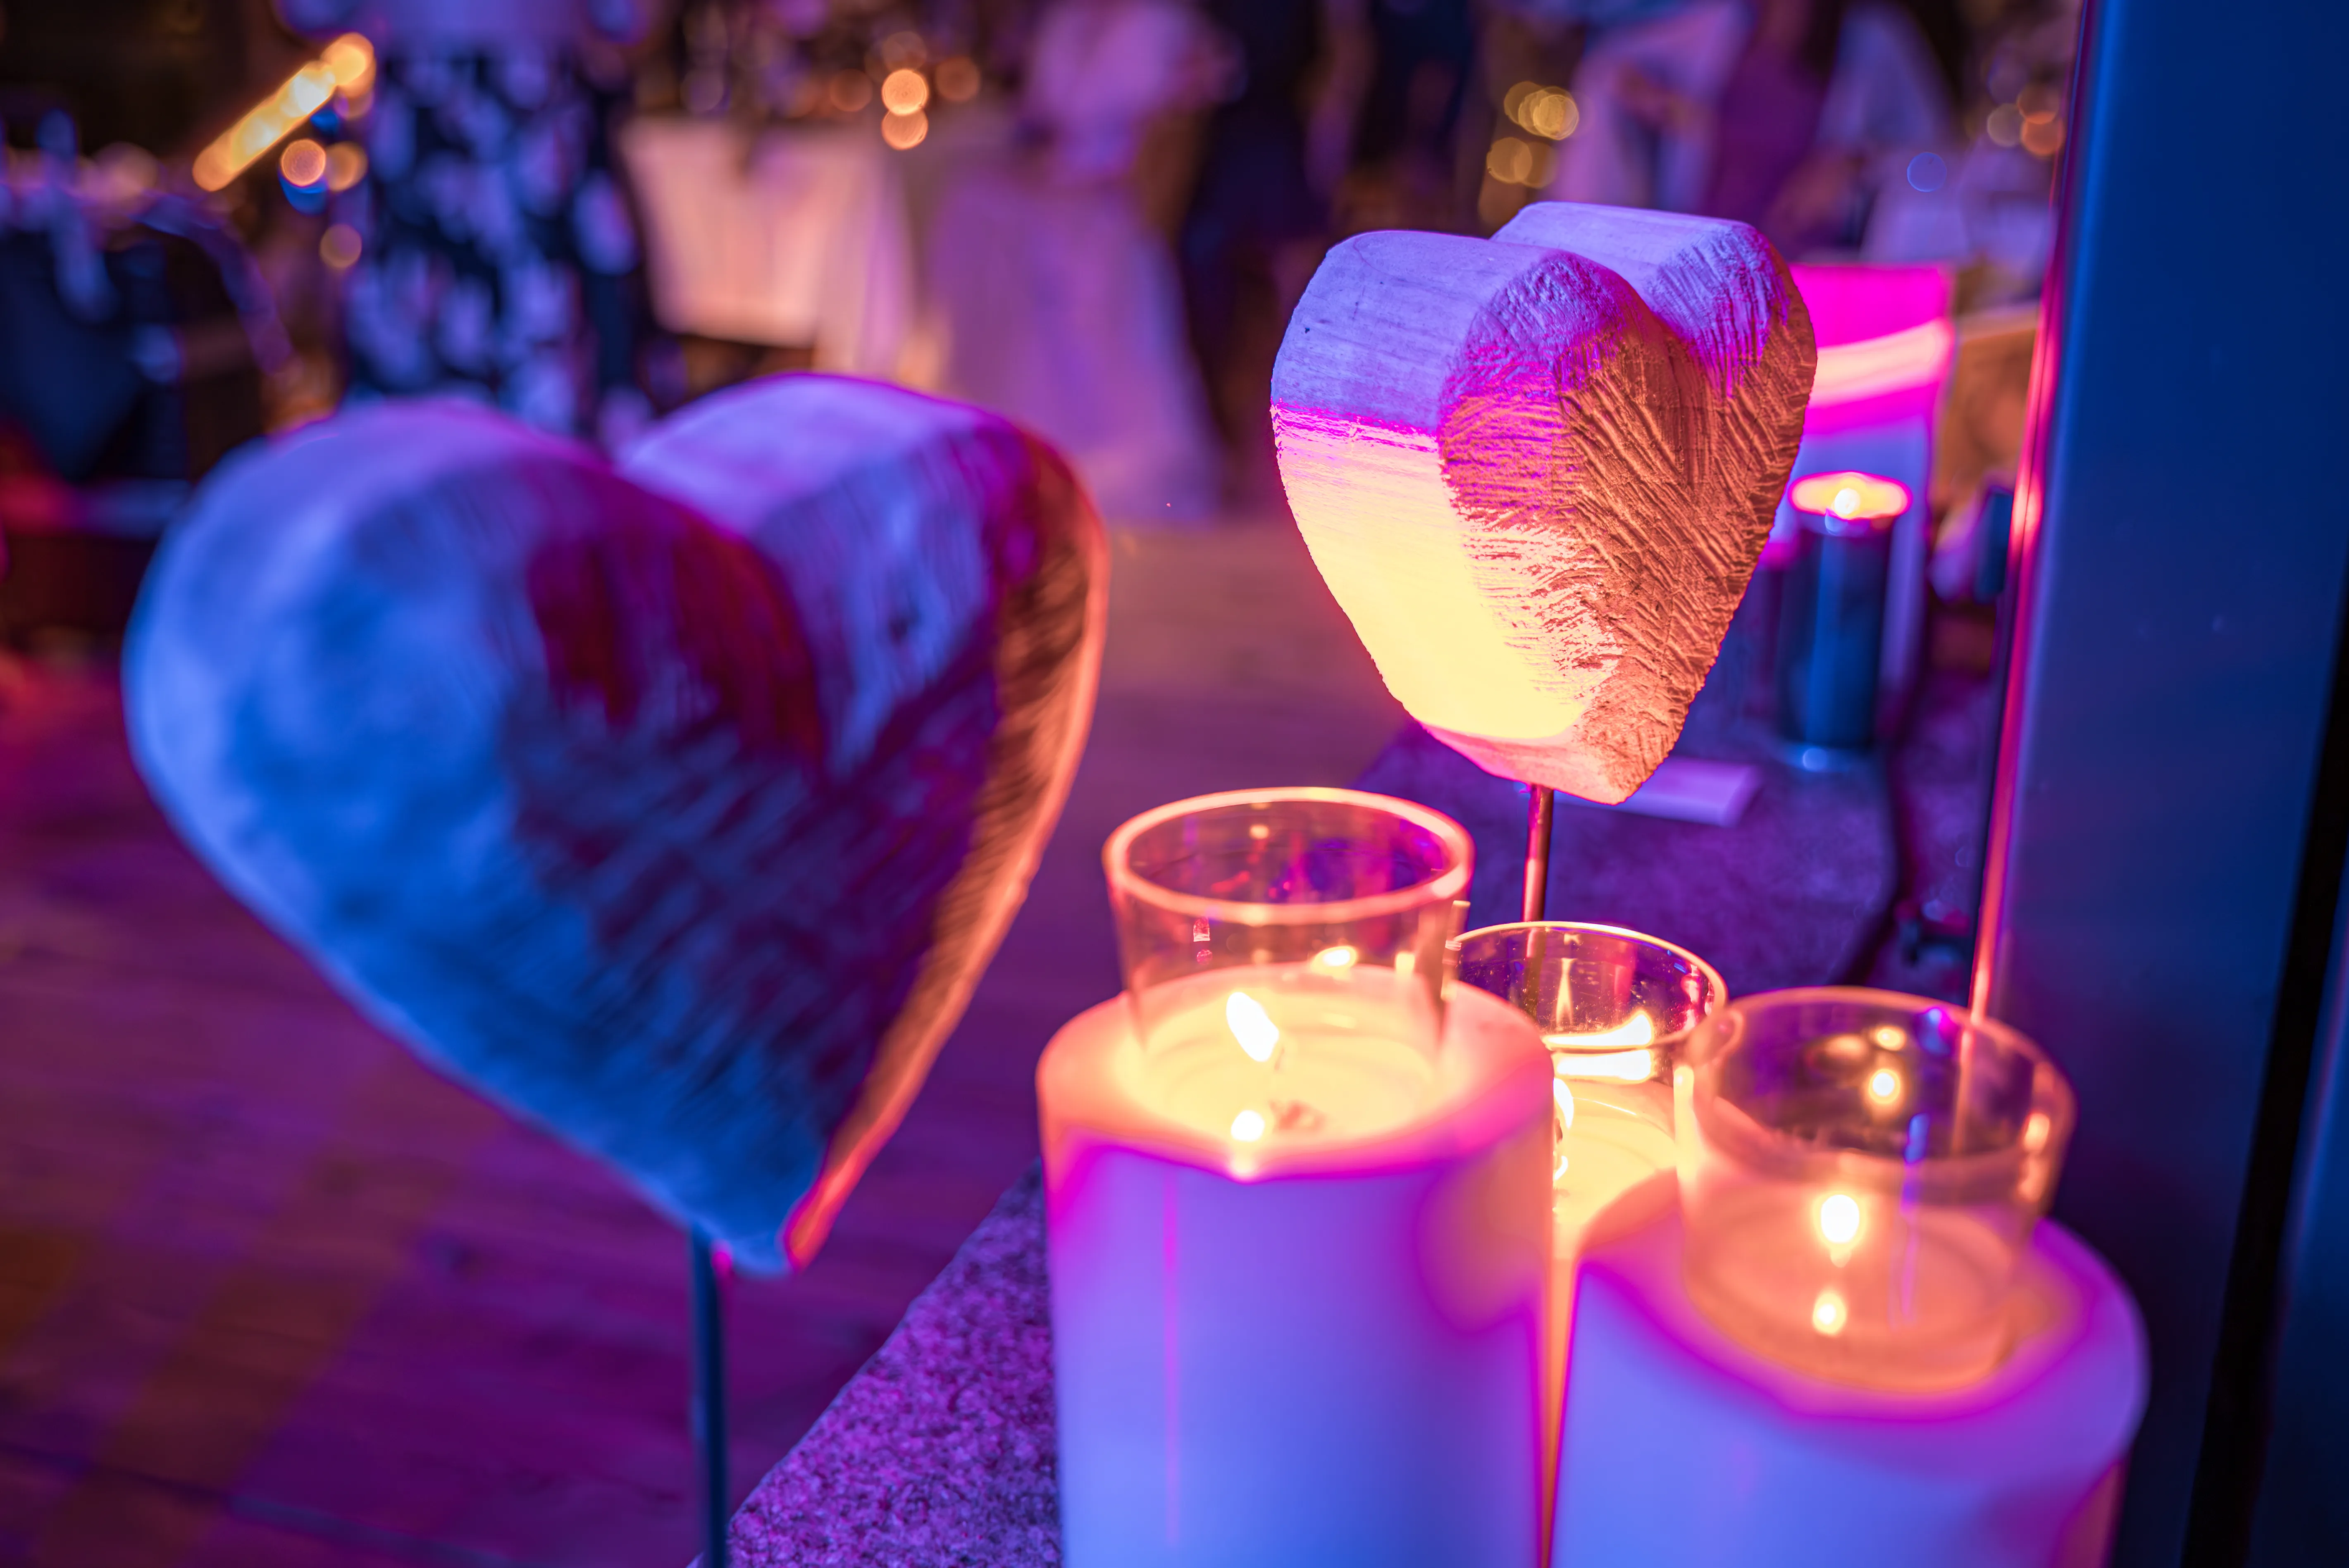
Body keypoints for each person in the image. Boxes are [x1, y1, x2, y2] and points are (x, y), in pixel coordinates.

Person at [276, 0, 675, 446]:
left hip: (439, 122)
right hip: (537, 119)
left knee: (418, 429)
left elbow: (310, 11)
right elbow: (629, 19)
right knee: (558, 419)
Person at [928, 0, 1223, 522]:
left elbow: (1171, 136)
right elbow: (1042, 118)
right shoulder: (1066, 20)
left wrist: (1095, 180)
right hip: (1059, 175)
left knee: (1051, 234)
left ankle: (1093, 442)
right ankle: (993, 411)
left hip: (1120, 191)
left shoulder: (1160, 23)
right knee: (971, 204)